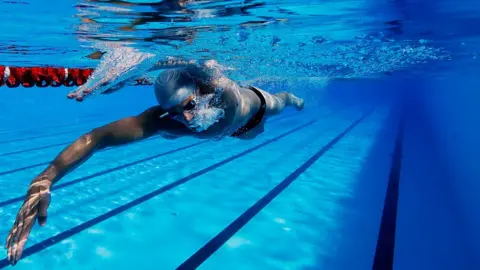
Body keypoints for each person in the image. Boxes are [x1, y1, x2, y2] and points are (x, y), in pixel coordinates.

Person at [4, 58, 304, 266]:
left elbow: (192, 57)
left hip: (256, 111)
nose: (185, 119)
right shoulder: (164, 121)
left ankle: (294, 98)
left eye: (187, 106)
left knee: (281, 102)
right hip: (232, 134)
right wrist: (46, 178)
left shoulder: (220, 90)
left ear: (202, 91)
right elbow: (97, 137)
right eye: (174, 112)